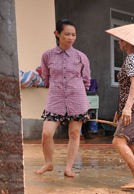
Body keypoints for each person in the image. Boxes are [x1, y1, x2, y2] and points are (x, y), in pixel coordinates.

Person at [36, 19, 91, 178]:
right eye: (67, 34)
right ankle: (48, 163)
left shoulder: (81, 57)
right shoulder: (47, 55)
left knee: (74, 134)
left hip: (77, 99)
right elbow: (45, 77)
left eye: (73, 35)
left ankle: (68, 168)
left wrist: (78, 92)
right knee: (47, 133)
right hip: (56, 99)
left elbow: (86, 79)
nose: (71, 37)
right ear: (57, 34)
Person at [105, 24, 134, 190]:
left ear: (125, 42)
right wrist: (121, 109)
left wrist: (127, 108)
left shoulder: (131, 58)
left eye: (120, 40)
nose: (118, 43)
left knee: (118, 141)